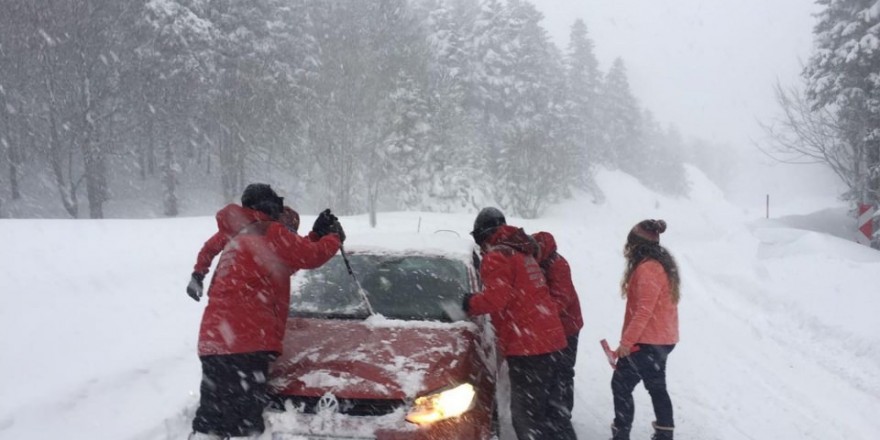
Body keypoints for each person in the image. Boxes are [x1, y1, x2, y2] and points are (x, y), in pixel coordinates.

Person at [185, 183, 345, 440]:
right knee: (245, 422)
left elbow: (285, 262)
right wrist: (333, 237)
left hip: (213, 339)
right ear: (271, 208)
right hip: (247, 339)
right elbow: (310, 257)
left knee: (212, 415)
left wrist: (198, 274)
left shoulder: (237, 233)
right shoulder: (270, 232)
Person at [462, 207, 568, 440]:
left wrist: (468, 303)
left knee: (526, 417)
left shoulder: (497, 256)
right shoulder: (522, 252)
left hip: (528, 346)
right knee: (553, 412)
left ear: (482, 235)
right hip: (551, 342)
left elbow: (495, 299)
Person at [610, 219, 680, 440]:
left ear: (637, 245)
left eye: (630, 243)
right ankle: (664, 433)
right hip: (663, 338)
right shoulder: (660, 264)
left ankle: (621, 434)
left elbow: (644, 311)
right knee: (656, 385)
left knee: (620, 384)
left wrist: (626, 344)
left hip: (648, 341)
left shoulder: (648, 268)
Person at [532, 231, 583, 440]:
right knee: (555, 372)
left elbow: (560, 300)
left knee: (563, 371)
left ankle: (563, 414)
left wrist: (536, 314)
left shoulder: (558, 265)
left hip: (568, 327)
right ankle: (556, 412)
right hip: (554, 327)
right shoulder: (542, 263)